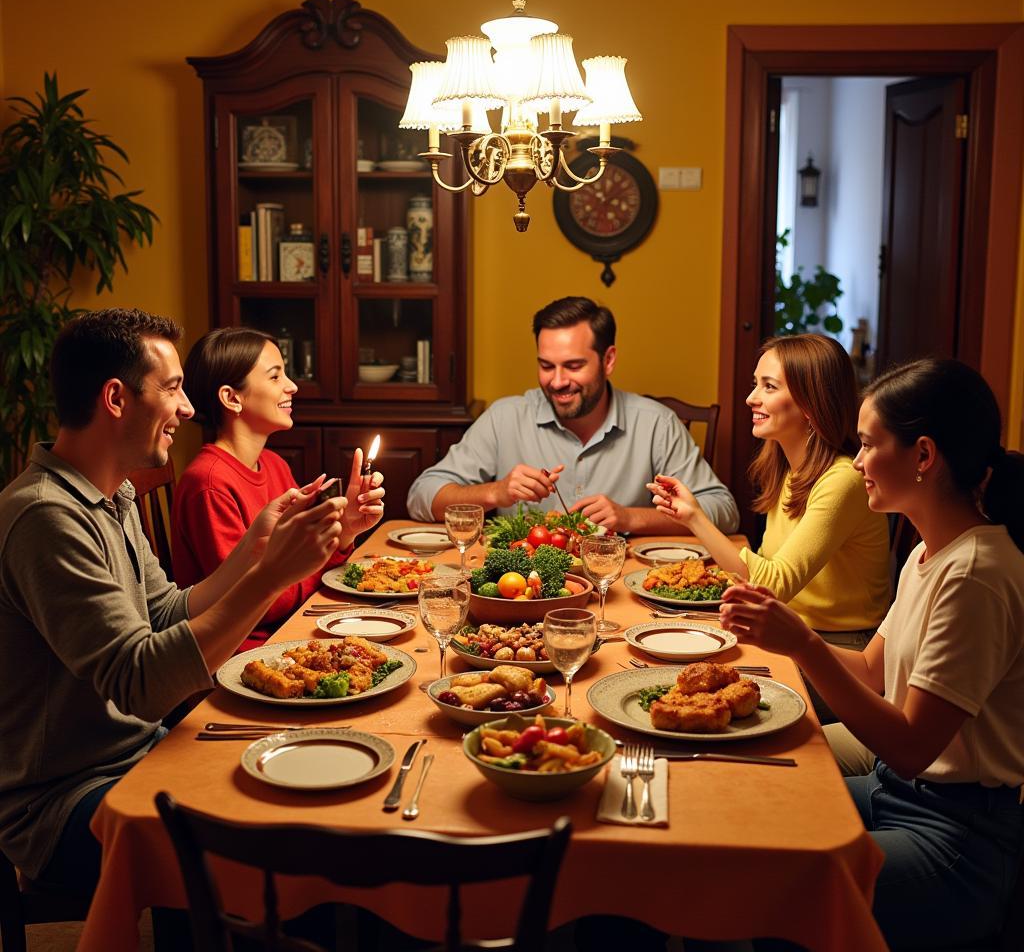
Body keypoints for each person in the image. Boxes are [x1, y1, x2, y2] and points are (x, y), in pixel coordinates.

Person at [0, 309, 353, 894]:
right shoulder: (46, 516)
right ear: (116, 398)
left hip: (144, 750)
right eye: (171, 389)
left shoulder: (111, 496)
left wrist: (254, 550)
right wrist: (268, 578)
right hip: (63, 800)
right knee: (294, 857)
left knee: (319, 789)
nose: (188, 409)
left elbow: (166, 611)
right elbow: (143, 683)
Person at [719, 358, 1024, 950]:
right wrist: (787, 643)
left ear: (923, 456)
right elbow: (869, 669)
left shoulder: (978, 574)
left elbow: (911, 746)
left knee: (782, 884)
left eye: (866, 445)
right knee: (745, 812)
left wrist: (802, 642)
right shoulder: (927, 554)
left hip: (957, 836)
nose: (856, 462)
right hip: (897, 794)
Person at [407, 296, 739, 534]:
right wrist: (495, 492)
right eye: (546, 365)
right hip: (523, 591)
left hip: (620, 587)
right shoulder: (504, 418)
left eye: (574, 366)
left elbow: (723, 511)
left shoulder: (656, 424)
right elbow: (421, 497)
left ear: (608, 361)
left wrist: (629, 518)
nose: (558, 381)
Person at [649, 334, 890, 650]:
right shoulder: (789, 469)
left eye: (769, 386)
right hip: (789, 631)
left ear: (810, 403)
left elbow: (770, 585)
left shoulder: (842, 481)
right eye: (755, 384)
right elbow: (765, 564)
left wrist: (695, 518)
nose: (751, 398)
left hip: (838, 649)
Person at [171, 327, 384, 650]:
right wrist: (310, 566)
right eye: (275, 377)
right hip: (245, 653)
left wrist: (345, 530)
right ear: (232, 398)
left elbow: (299, 576)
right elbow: (261, 602)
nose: (292, 386)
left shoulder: (273, 465)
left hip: (292, 630)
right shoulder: (209, 484)